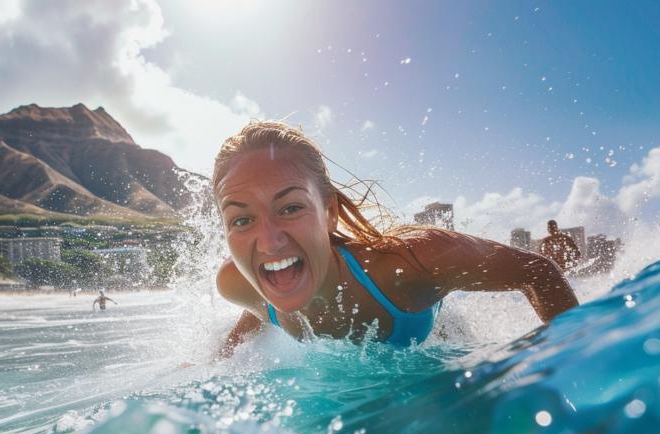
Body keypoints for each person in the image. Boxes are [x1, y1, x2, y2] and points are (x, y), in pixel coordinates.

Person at [213, 121, 579, 357]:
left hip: (437, 335)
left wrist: (575, 369)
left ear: (329, 212)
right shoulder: (238, 282)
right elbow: (258, 309)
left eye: (290, 208)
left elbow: (537, 271)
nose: (270, 241)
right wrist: (220, 361)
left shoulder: (409, 265)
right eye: (242, 219)